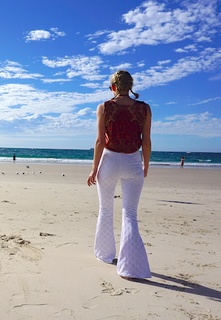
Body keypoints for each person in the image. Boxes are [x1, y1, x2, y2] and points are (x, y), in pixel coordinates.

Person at [87, 70, 152, 280]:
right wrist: (146, 166)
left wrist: (94, 168)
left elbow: (99, 142)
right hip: (133, 161)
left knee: (105, 209)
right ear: (130, 86)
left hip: (110, 161)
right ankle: (131, 267)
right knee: (130, 214)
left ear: (113, 87)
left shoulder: (104, 107)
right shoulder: (144, 108)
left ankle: (105, 255)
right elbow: (146, 142)